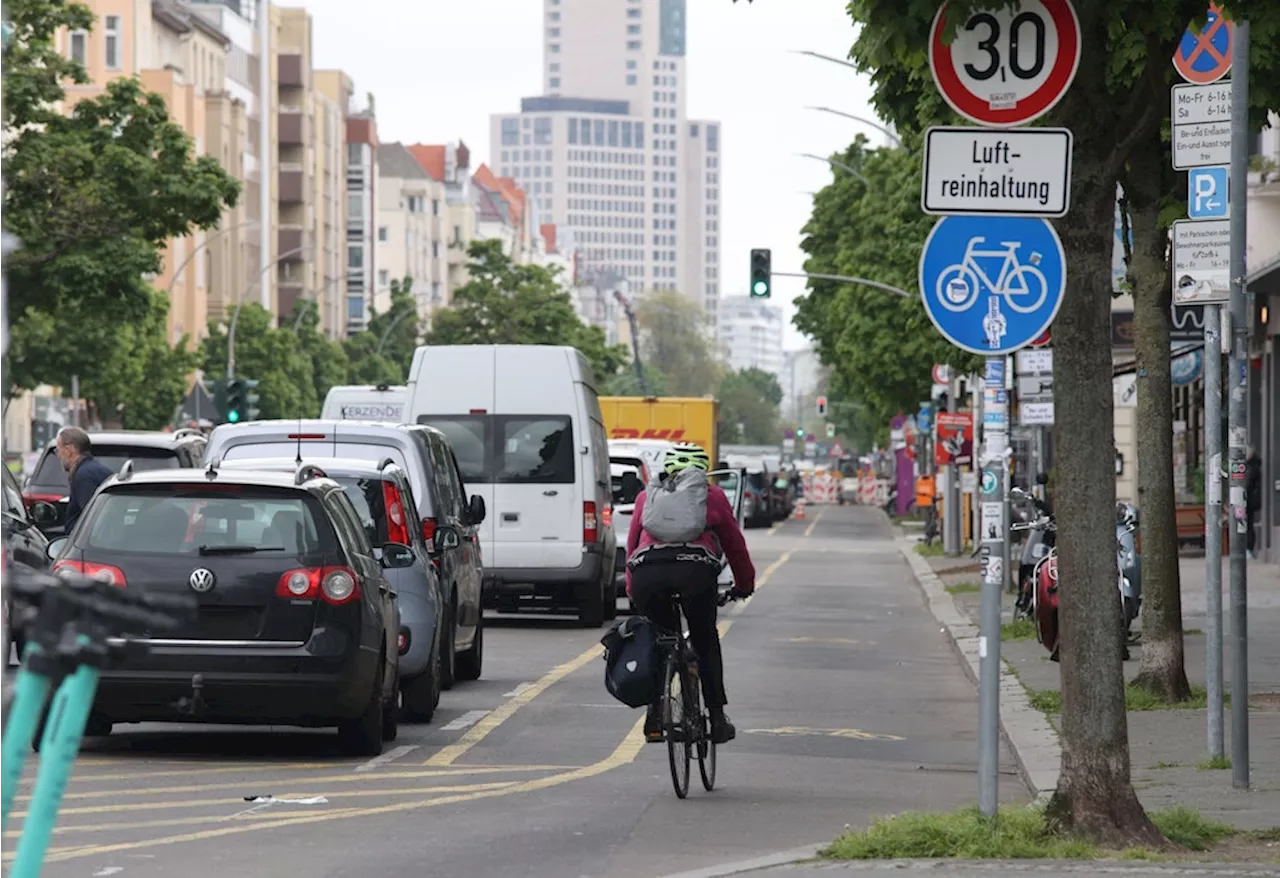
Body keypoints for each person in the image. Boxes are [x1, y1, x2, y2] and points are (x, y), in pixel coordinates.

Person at [626, 442, 755, 745]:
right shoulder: (713, 496)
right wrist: (744, 585)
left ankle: (655, 716)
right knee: (705, 639)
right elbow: (735, 546)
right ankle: (718, 718)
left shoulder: (647, 496)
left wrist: (634, 590)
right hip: (695, 573)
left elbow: (632, 546)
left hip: (648, 574)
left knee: (658, 641)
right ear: (702, 472)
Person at [57, 427, 113, 533]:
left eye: (58, 450)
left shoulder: (84, 477)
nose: (58, 455)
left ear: (68, 451)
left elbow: (91, 519)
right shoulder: (94, 469)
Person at [1246, 446, 1262, 559]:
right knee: (1247, 524)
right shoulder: (1253, 466)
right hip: (1249, 500)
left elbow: (1249, 484)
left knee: (1247, 525)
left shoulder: (1252, 467)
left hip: (1248, 500)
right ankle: (1248, 549)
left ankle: (1249, 549)